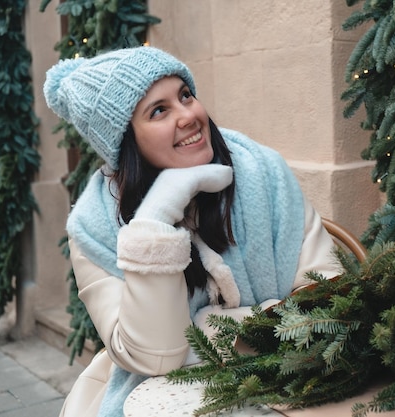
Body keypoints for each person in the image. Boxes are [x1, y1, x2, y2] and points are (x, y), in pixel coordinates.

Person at [43, 46, 341, 417]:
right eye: (159, 110)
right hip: (163, 401)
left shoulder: (261, 172)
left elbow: (329, 298)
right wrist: (156, 217)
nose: (188, 116)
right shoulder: (95, 226)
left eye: (185, 95)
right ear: (126, 141)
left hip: (288, 386)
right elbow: (155, 355)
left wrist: (207, 330)